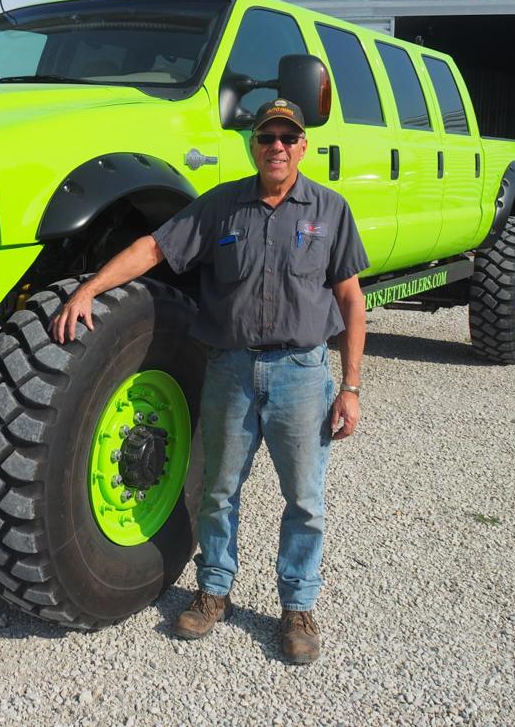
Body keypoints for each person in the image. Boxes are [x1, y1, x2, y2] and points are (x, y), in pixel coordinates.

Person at [49, 98, 368, 664]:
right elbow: (153, 249)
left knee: (305, 501)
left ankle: (297, 608)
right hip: (232, 371)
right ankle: (214, 592)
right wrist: (88, 289)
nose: (276, 146)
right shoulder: (220, 208)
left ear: (302, 146)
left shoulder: (329, 210)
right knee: (219, 492)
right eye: (266, 136)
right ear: (253, 144)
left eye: (287, 137)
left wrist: (350, 386)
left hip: (302, 373)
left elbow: (350, 299)